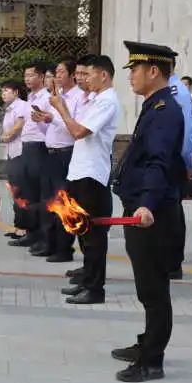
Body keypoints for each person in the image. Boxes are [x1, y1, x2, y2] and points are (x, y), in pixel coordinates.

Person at [110, 42, 186, 383]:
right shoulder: (155, 106)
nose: (131, 77)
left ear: (153, 71)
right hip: (140, 205)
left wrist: (147, 204)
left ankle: (152, 361)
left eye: (135, 70)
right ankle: (147, 343)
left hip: (150, 212)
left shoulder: (166, 110)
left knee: (154, 288)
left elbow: (160, 161)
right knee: (146, 285)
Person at [53, 55, 120, 305]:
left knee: (93, 236)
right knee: (81, 231)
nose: (83, 79)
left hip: (92, 175)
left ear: (103, 75)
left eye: (88, 74)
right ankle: (86, 280)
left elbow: (79, 132)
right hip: (79, 172)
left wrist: (61, 109)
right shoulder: (94, 99)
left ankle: (95, 288)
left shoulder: (107, 102)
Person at [33, 58, 84, 263]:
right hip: (51, 153)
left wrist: (52, 118)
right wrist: (42, 120)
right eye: (56, 72)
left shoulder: (78, 98)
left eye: (61, 72)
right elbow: (51, 127)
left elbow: (74, 129)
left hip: (67, 154)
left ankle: (64, 249)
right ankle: (49, 244)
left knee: (64, 202)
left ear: (72, 74)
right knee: (49, 201)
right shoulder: (57, 97)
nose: (57, 76)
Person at [11, 63, 50, 252]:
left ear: (41, 77)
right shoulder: (30, 98)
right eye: (25, 75)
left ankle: (42, 237)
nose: (27, 79)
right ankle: (30, 233)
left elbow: (48, 125)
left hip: (39, 147)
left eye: (31, 75)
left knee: (38, 193)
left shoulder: (47, 97)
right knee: (27, 193)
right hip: (26, 147)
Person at [166, 70, 192, 280]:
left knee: (172, 212)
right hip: (169, 159)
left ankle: (173, 263)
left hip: (172, 159)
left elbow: (187, 132)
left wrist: (187, 163)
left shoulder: (177, 92)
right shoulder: (171, 90)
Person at [0, 80, 30, 238]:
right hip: (11, 154)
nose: (3, 93)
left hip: (20, 154)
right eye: (2, 91)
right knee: (15, 191)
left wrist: (6, 137)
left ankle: (24, 227)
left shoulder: (22, 105)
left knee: (21, 191)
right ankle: (18, 225)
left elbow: (18, 126)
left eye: (6, 90)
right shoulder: (9, 109)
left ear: (16, 92)